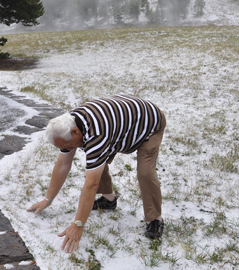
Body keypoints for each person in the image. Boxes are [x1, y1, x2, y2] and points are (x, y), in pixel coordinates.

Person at [27, 95, 166, 253]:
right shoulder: (69, 126)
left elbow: (91, 184)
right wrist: (47, 199)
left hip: (150, 123)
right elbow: (62, 164)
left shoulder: (97, 134)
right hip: (121, 124)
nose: (70, 149)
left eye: (69, 146)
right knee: (96, 161)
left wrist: (78, 224)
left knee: (145, 172)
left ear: (75, 132)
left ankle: (156, 218)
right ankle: (108, 200)